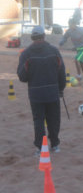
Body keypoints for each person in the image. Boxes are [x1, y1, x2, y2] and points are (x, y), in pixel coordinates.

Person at [17, 26, 66, 155]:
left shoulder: (26, 53)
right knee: (54, 119)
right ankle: (55, 145)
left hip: (35, 94)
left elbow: (22, 77)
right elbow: (62, 72)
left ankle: (39, 148)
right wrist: (61, 89)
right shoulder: (54, 51)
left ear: (32, 37)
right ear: (44, 36)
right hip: (52, 92)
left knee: (38, 120)